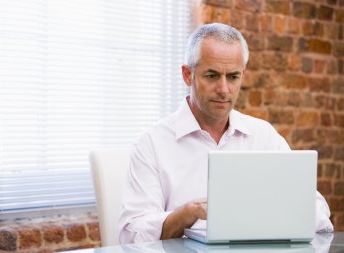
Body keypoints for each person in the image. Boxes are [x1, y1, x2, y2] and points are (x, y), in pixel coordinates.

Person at [118, 23, 333, 244]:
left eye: (232, 77)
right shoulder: (152, 144)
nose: (223, 89)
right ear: (187, 75)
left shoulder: (263, 136)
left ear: (243, 75)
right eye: (211, 76)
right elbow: (131, 234)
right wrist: (184, 216)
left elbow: (318, 211)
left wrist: (270, 214)